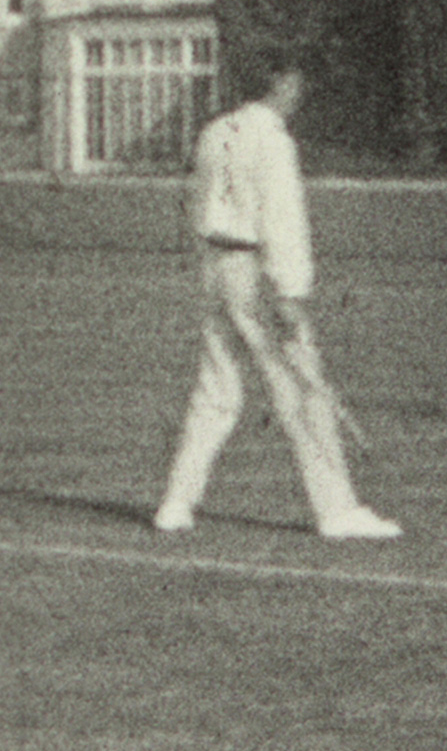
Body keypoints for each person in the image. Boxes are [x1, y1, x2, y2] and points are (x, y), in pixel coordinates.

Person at [153, 49, 402, 540]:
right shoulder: (273, 141)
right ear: (280, 84)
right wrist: (289, 291)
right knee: (302, 392)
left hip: (215, 267)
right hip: (254, 273)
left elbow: (197, 205)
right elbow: (283, 220)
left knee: (216, 389)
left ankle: (176, 502)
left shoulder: (214, 132)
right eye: (294, 83)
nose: (299, 93)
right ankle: (337, 510)